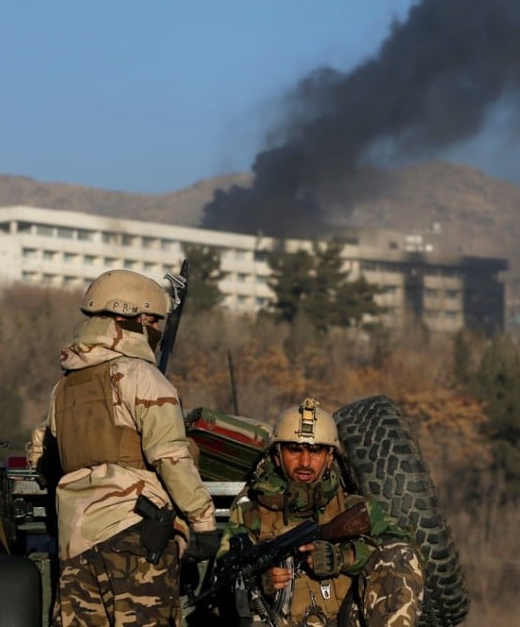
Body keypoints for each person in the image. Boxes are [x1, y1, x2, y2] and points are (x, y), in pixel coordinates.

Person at [27, 269, 218, 626]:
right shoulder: (141, 376)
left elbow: (42, 458)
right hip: (135, 534)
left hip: (75, 543)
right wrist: (203, 524)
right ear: (138, 318)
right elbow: (170, 458)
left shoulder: (63, 388)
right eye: (154, 320)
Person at [217, 397, 424, 627]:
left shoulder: (353, 508)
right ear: (277, 455)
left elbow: (404, 550)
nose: (305, 462)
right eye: (294, 450)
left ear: (329, 458)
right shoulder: (249, 513)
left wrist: (344, 557)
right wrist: (259, 586)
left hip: (345, 619)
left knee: (399, 555)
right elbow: (223, 583)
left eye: (315, 451)